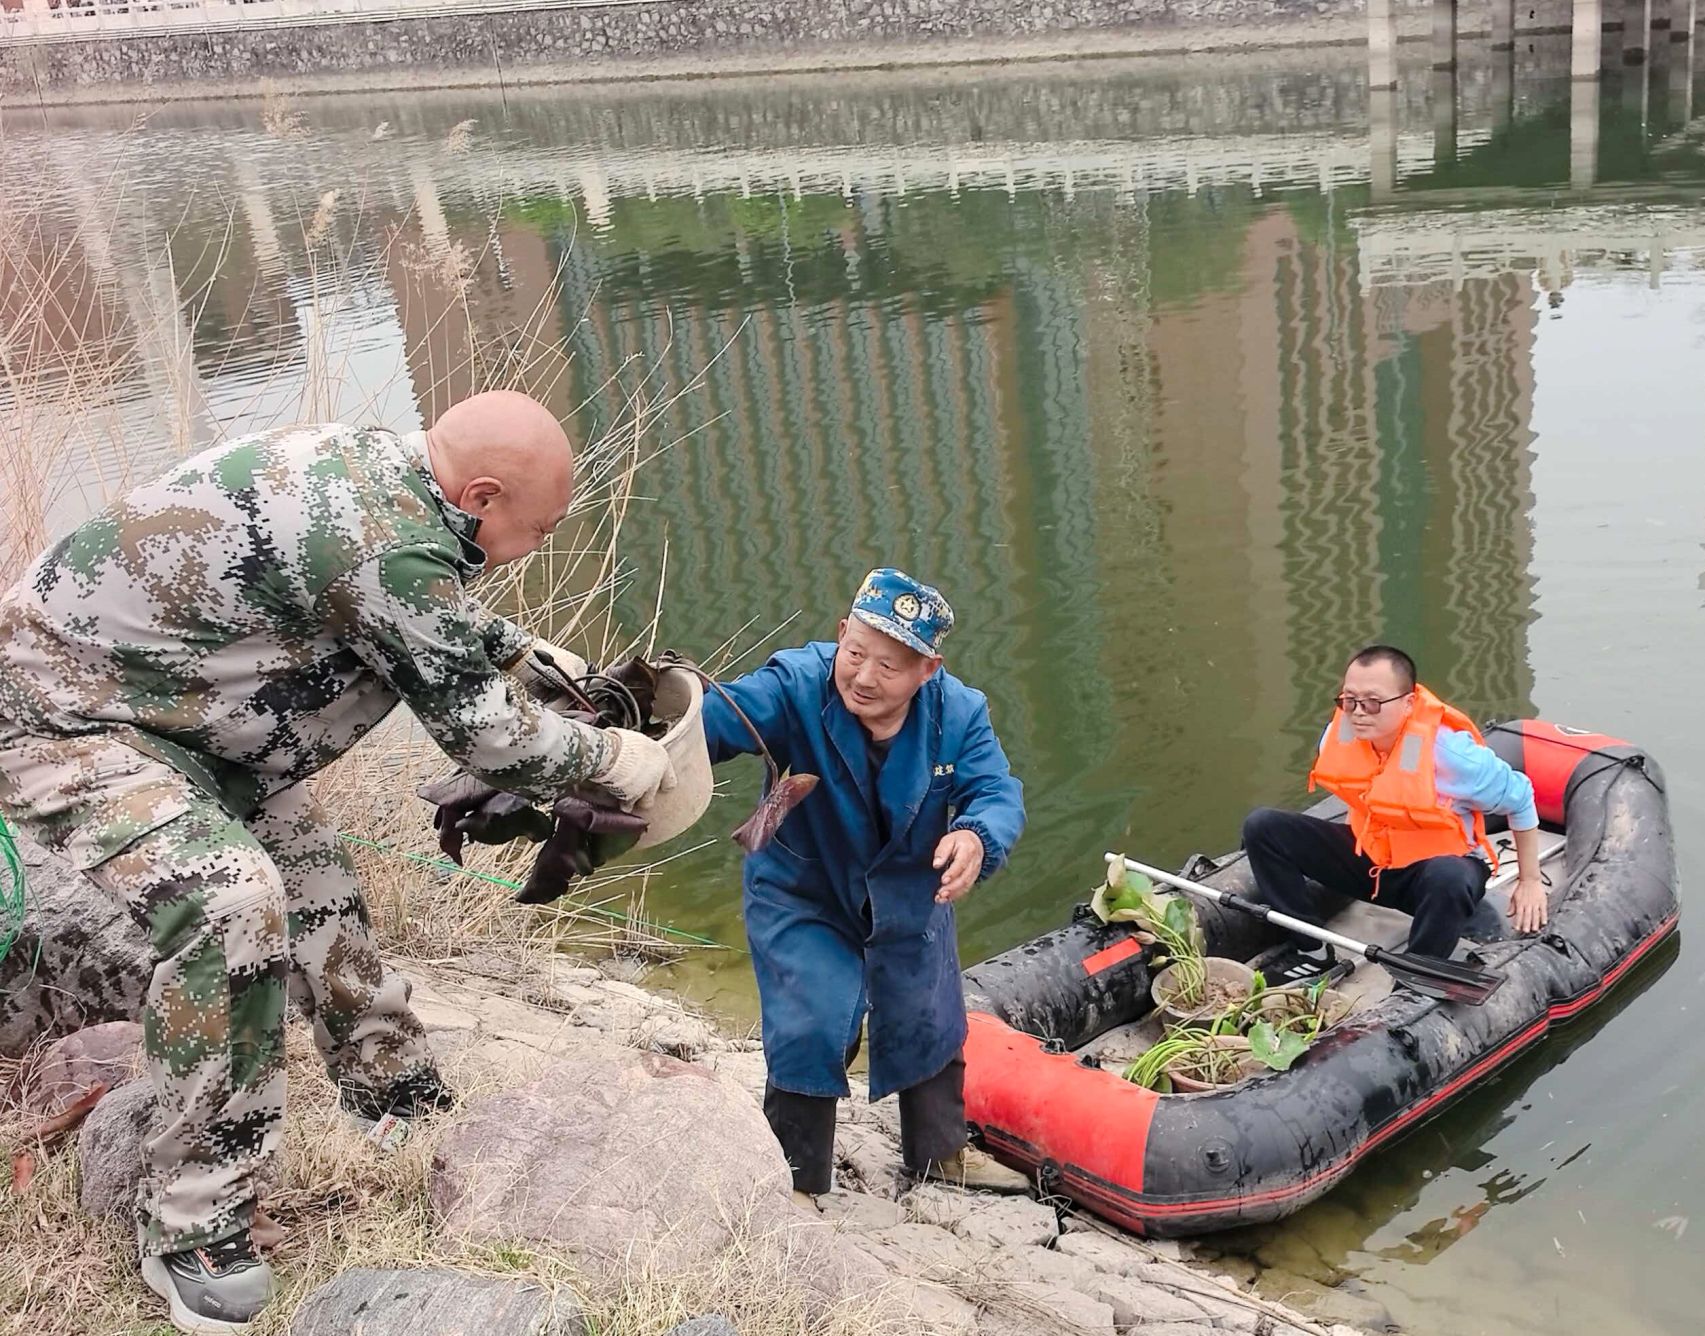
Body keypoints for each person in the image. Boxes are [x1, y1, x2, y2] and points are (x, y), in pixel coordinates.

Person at [0, 391, 676, 1334]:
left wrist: (519, 651)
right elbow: (491, 738)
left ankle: (389, 1085)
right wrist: (621, 761)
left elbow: (401, 606)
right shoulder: (382, 543)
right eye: (540, 528)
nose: (538, 546)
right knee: (232, 904)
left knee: (318, 887)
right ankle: (196, 1225)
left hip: (180, 718)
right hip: (65, 720)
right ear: (481, 495)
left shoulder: (388, 479)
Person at [701, 568, 1030, 1201]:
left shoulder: (960, 713)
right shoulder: (797, 684)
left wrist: (975, 837)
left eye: (889, 666)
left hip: (909, 895)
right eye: (855, 653)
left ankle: (940, 1154)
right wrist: (660, 721)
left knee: (928, 1013)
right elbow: (722, 716)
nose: (864, 677)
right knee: (810, 1018)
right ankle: (795, 1178)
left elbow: (994, 791)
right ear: (840, 634)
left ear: (928, 671)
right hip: (802, 888)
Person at [1241, 644, 1546, 963]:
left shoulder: (1452, 756)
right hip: (1370, 859)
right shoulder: (1337, 735)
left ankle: (1417, 972)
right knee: (1263, 826)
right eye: (1350, 700)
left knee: (1448, 877)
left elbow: (1521, 798)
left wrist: (1530, 880)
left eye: (1373, 702)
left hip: (1432, 875)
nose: (1358, 712)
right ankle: (1311, 949)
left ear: (1408, 703)